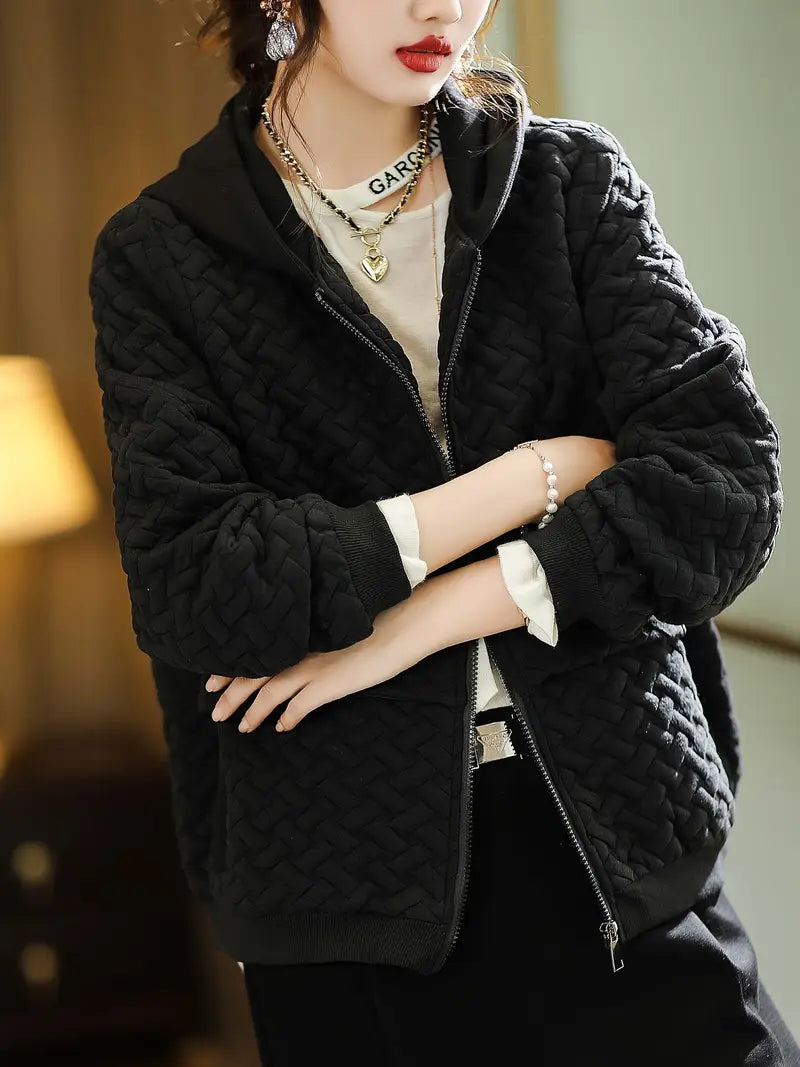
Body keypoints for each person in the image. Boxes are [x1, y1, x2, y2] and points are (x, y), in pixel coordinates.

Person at [88, 1, 799, 1063]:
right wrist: (534, 474)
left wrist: (414, 624)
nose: (444, 8)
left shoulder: (569, 184)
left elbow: (726, 485)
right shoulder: (162, 255)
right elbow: (198, 581)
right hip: (347, 905)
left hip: (624, 857)